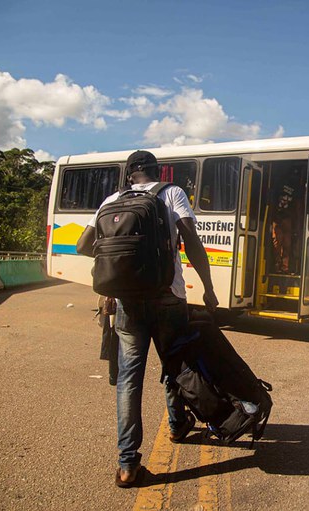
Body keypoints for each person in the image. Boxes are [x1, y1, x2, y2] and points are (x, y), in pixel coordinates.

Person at [76, 150, 219, 488]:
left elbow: (84, 245)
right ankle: (176, 424)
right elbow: (192, 242)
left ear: (129, 175)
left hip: (129, 302)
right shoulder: (171, 193)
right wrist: (209, 289)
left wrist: (119, 268)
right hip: (169, 296)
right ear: (158, 171)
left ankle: (127, 464)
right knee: (175, 364)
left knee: (129, 379)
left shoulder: (112, 199)